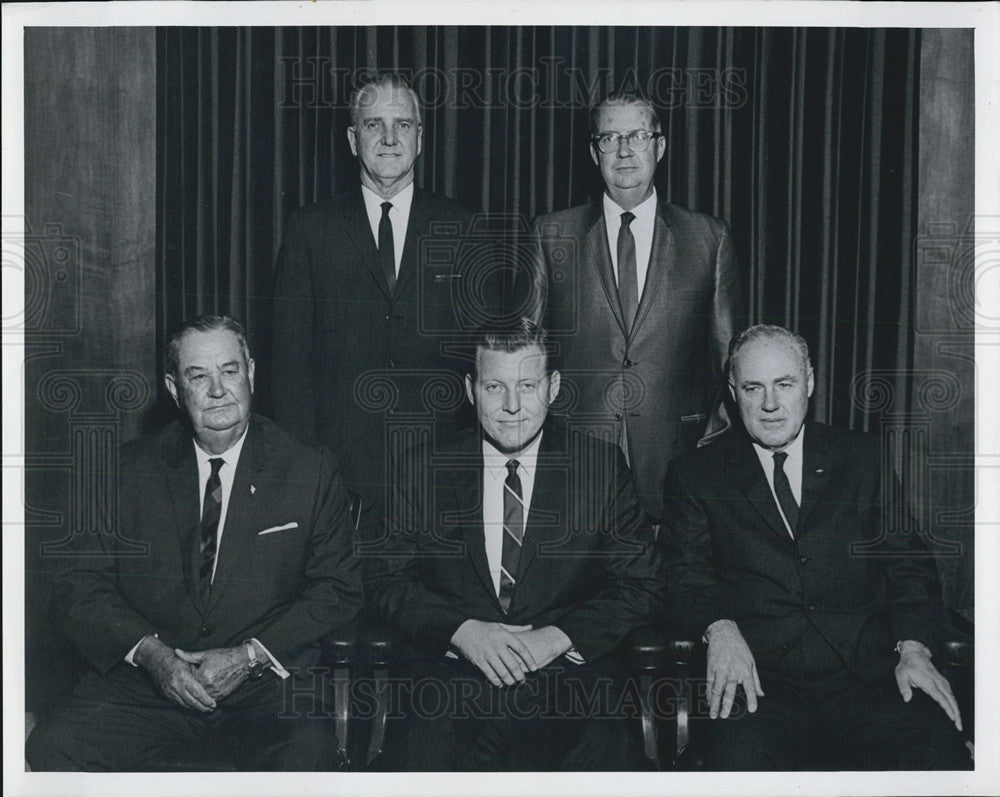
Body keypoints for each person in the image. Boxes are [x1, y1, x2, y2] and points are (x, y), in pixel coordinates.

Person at [26, 316, 363, 771]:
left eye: (230, 370)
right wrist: (153, 656)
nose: (218, 390)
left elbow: (338, 588)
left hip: (264, 691)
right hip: (148, 690)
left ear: (252, 373)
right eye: (198, 376)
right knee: (54, 744)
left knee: (309, 752)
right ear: (173, 388)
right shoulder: (122, 472)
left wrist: (249, 656)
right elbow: (79, 586)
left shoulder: (309, 469)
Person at [661, 324, 970, 770]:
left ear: (808, 382)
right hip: (762, 688)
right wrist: (719, 626)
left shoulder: (863, 458)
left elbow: (908, 567)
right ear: (734, 391)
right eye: (754, 387)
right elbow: (682, 576)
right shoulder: (696, 474)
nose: (770, 404)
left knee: (934, 752)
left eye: (784, 384)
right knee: (735, 764)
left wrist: (914, 648)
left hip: (869, 681)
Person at [366, 318, 664, 770]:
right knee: (415, 758)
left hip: (569, 681)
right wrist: (462, 631)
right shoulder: (421, 468)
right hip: (451, 680)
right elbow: (383, 579)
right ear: (470, 390)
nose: (512, 406)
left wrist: (558, 638)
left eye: (527, 385)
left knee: (610, 755)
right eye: (494, 388)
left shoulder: (600, 467)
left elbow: (641, 585)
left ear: (553, 387)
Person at [270, 73, 478, 539]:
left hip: (437, 475)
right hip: (339, 478)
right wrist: (307, 477)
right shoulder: (311, 229)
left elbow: (477, 362)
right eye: (373, 125)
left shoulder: (463, 227)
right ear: (351, 138)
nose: (388, 138)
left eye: (402, 125)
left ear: (420, 138)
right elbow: (288, 367)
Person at [528, 91, 745, 523]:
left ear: (659, 146)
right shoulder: (551, 233)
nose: (624, 150)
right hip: (576, 463)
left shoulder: (709, 239)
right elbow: (525, 353)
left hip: (676, 466)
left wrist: (708, 448)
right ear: (594, 152)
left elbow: (729, 362)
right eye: (609, 138)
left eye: (638, 135)